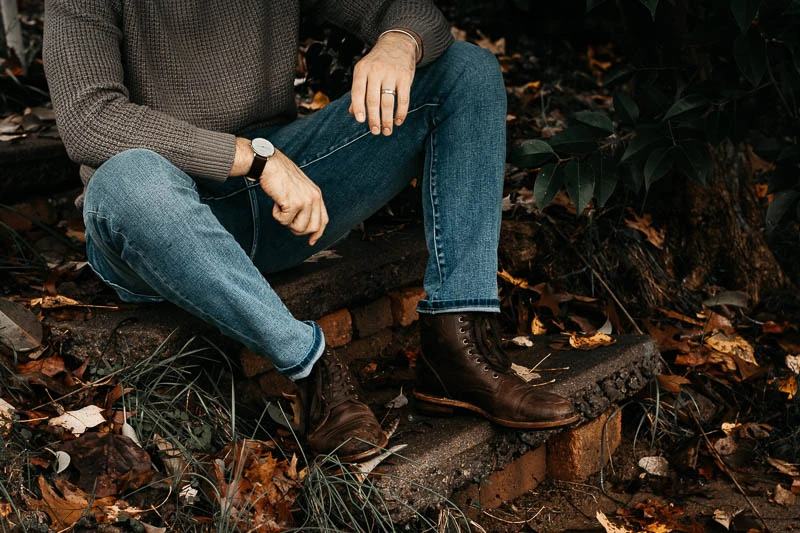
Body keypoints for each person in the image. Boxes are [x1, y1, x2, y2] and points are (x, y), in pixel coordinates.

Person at [43, 0, 579, 462]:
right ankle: (314, 371)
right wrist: (255, 159)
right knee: (127, 178)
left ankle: (458, 346)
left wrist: (399, 41)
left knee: (465, 69)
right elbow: (90, 119)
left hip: (279, 204)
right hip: (156, 225)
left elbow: (412, 11)